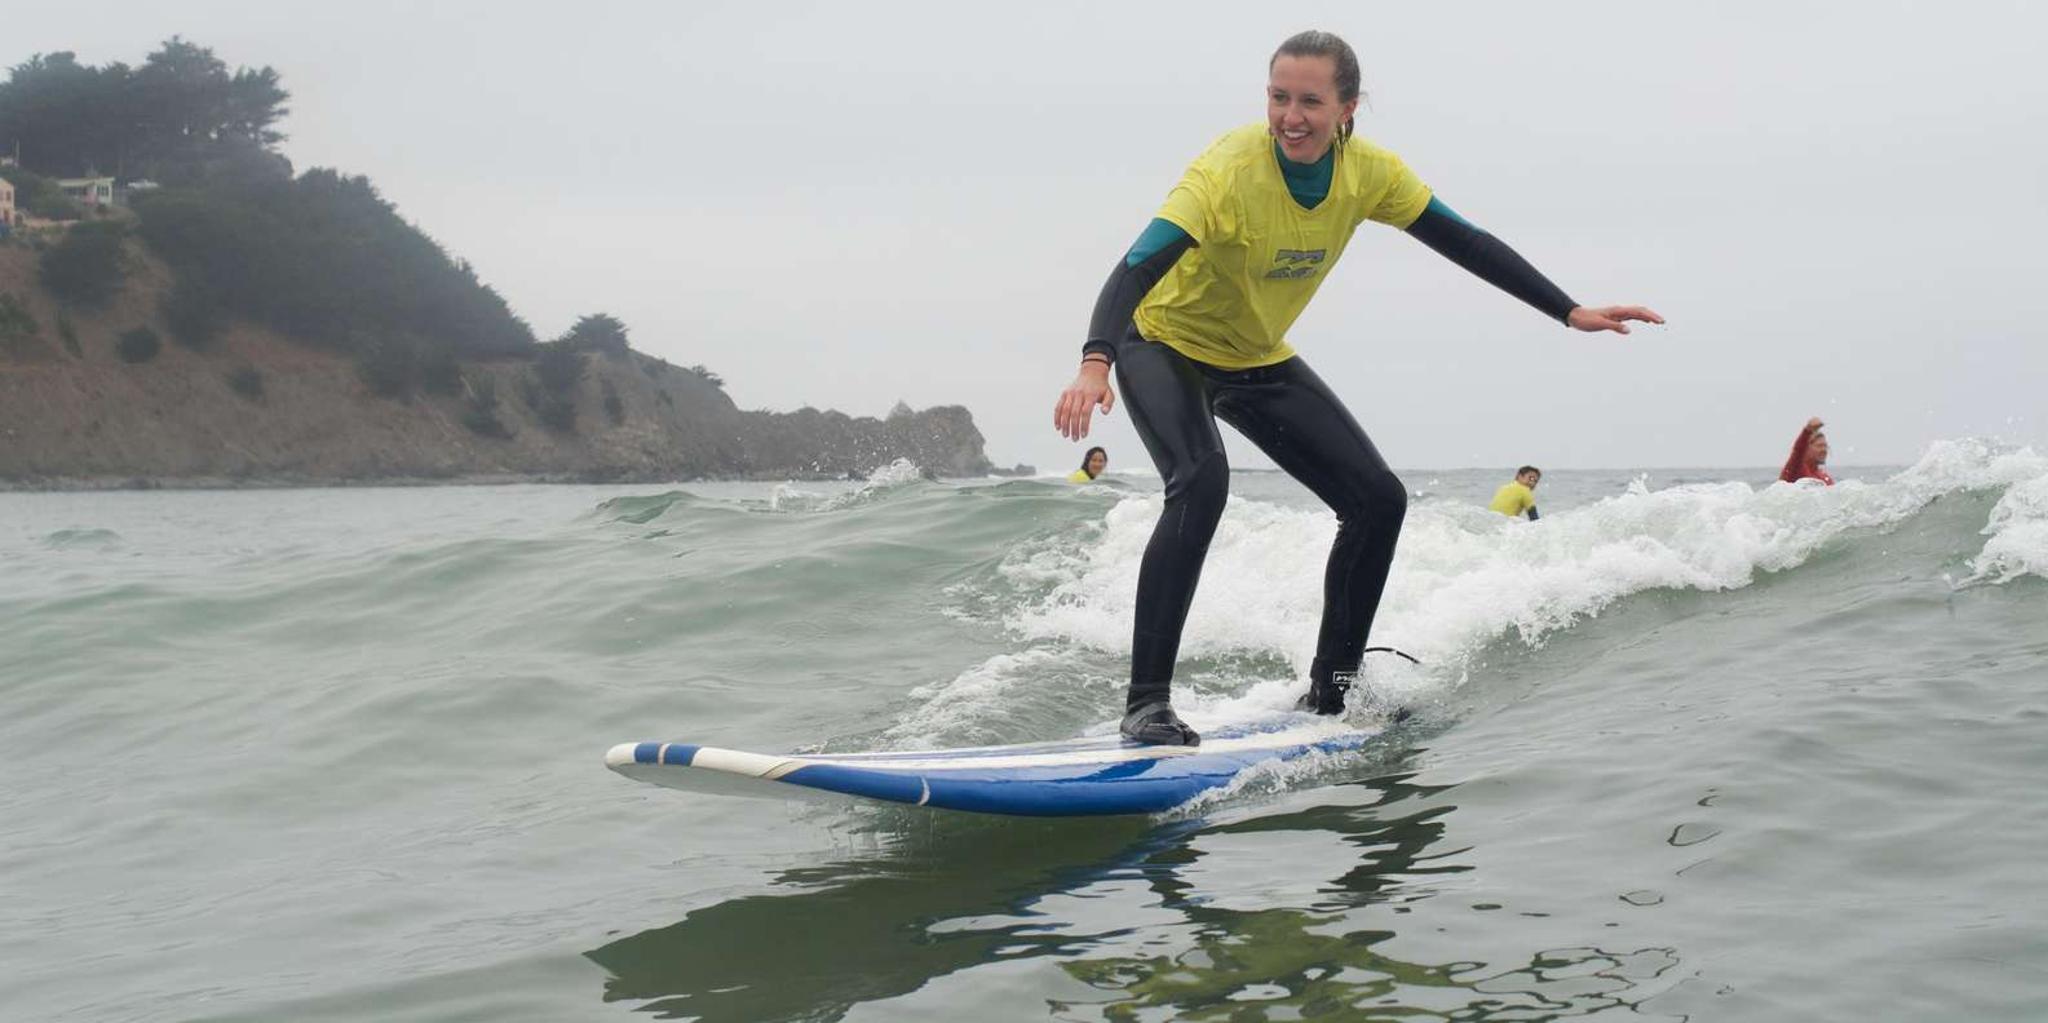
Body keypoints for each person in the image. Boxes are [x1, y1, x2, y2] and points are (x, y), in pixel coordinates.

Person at [1051, 30, 1662, 746]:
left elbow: (1465, 240)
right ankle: (1147, 704)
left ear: (1349, 108)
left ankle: (1333, 689)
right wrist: (1096, 360)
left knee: (1377, 500)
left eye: (1311, 101)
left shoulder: (1370, 173)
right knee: (1202, 480)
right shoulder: (1226, 170)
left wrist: (1568, 309)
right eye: (1279, 97)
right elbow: (1136, 266)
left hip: (1255, 355)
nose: (1291, 117)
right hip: (1160, 343)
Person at [1780, 417, 1834, 485]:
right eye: (1819, 446)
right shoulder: (1796, 469)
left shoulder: (1825, 478)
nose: (1824, 450)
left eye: (1825, 446)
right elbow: (1798, 451)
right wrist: (1808, 430)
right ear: (1806, 449)